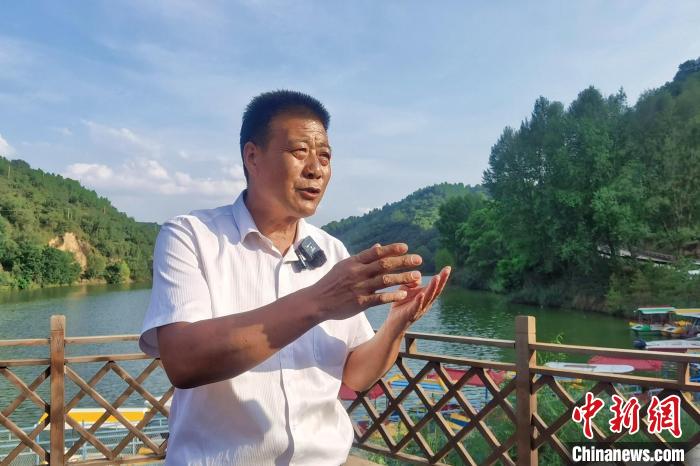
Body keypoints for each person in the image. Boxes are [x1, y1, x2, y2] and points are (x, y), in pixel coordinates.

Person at [139, 90, 451, 466]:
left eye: (325, 156)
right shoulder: (191, 236)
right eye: (300, 151)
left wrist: (395, 326)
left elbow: (356, 375)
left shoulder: (332, 251)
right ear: (252, 156)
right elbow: (184, 361)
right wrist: (320, 301)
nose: (316, 169)